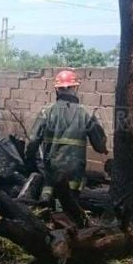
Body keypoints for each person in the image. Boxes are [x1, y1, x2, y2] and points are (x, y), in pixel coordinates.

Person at [25, 70, 108, 226]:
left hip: (52, 167)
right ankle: (68, 229)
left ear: (57, 89)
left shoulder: (46, 112)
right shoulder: (86, 113)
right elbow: (99, 145)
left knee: (49, 196)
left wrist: (29, 160)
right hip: (75, 171)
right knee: (71, 205)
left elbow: (33, 140)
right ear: (75, 88)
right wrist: (103, 146)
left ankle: (49, 226)